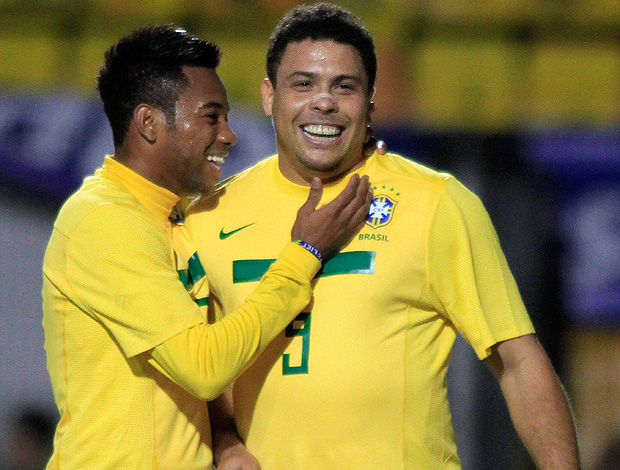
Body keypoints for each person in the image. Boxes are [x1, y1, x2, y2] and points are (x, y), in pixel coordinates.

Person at [186, 4, 581, 469]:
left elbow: (517, 361)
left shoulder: (436, 204)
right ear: (269, 95)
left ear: (370, 101)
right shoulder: (208, 217)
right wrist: (229, 446)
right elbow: (195, 372)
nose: (324, 102)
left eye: (344, 87)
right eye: (303, 84)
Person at [41, 24, 371, 470]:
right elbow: (202, 367)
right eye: (212, 117)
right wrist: (305, 254)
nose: (229, 136)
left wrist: (224, 441)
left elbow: (180, 372)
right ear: (149, 123)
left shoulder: (171, 218)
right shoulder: (104, 221)